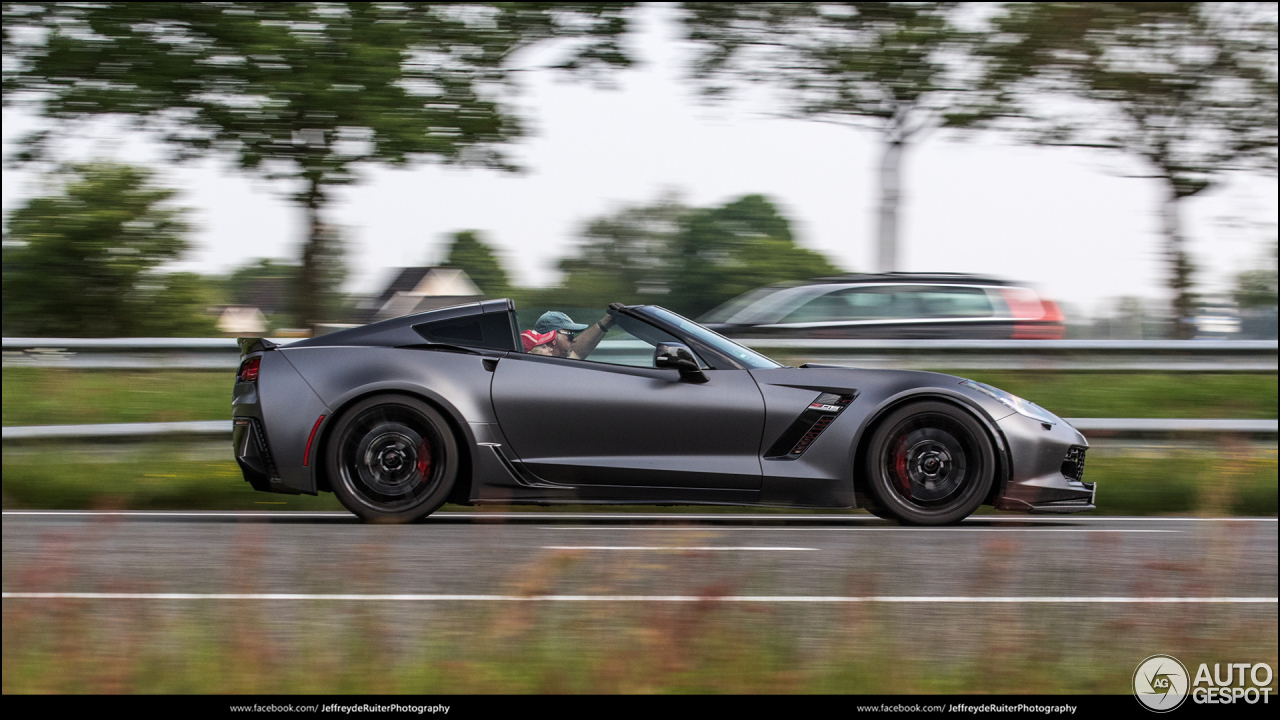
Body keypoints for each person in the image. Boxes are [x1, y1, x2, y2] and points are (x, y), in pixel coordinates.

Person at [520, 310, 618, 360]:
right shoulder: (541, 366)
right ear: (552, 338)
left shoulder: (555, 363)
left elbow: (578, 352)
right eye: (570, 335)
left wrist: (606, 322)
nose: (574, 340)